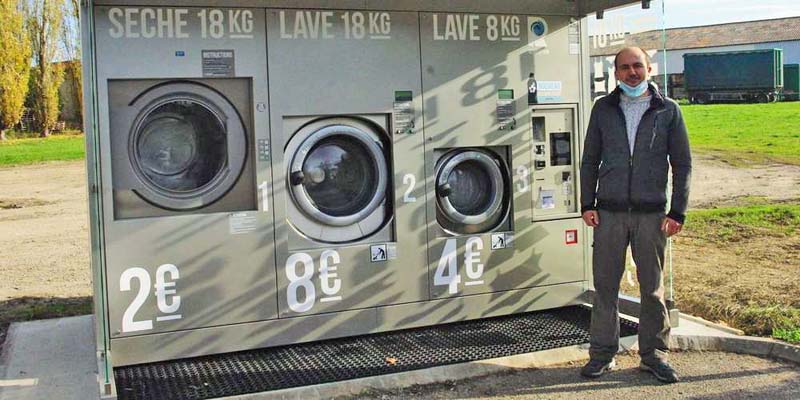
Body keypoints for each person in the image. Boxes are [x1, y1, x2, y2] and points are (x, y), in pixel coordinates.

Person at [579, 47, 692, 383]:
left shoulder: (667, 111)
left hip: (651, 215)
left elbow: (682, 164)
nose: (632, 72)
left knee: (652, 289)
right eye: (625, 67)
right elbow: (589, 160)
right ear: (615, 73)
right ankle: (602, 355)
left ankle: (654, 355)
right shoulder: (603, 109)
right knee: (605, 288)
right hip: (609, 214)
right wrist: (588, 204)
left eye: (637, 66)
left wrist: (678, 212)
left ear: (648, 68)